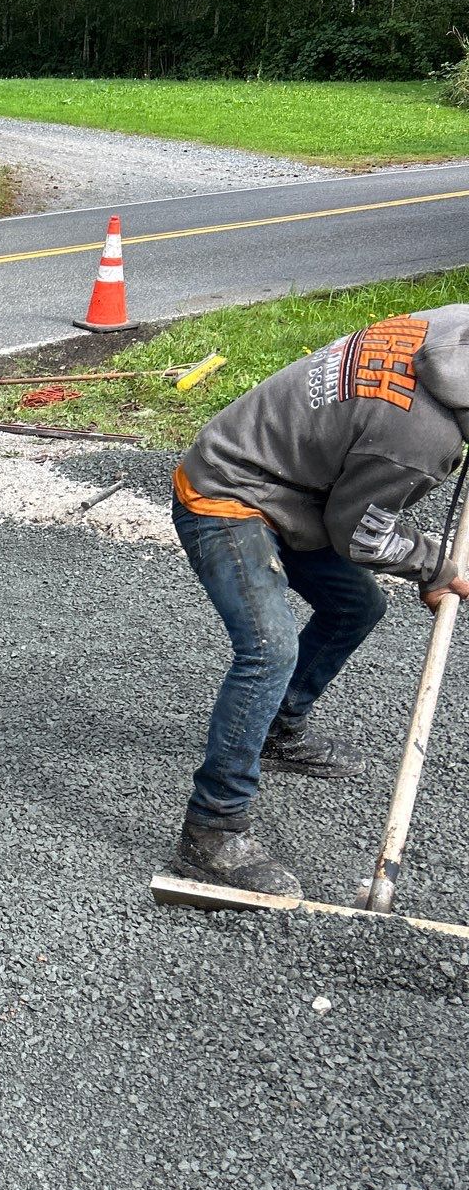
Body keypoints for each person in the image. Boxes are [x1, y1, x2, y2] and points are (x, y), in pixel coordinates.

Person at [172, 305, 469, 897]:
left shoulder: (456, 331)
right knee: (269, 649)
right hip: (228, 491)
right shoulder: (417, 437)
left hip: (296, 487)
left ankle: (279, 728)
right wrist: (438, 566)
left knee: (356, 608)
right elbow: (362, 535)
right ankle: (211, 830)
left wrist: (431, 565)